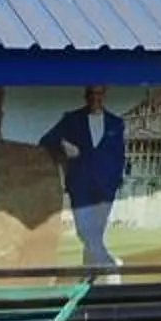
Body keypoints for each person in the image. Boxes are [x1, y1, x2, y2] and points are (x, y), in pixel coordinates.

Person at [37, 86, 126, 271]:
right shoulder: (72, 119)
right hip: (80, 185)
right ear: (86, 96)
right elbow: (46, 140)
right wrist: (63, 144)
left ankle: (89, 275)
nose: (95, 98)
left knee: (95, 235)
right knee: (84, 230)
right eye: (92, 94)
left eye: (99, 94)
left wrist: (116, 180)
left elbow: (119, 154)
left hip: (106, 187)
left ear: (104, 95)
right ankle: (110, 264)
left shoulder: (116, 123)